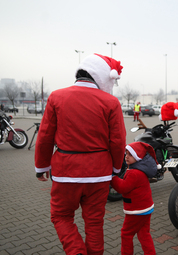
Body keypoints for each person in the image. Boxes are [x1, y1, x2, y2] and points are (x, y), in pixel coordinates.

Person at [34, 53, 126, 255]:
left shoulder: (56, 97)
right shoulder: (111, 102)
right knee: (94, 223)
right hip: (99, 174)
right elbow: (118, 141)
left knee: (61, 216)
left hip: (65, 171)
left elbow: (45, 136)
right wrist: (116, 168)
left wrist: (41, 167)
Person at [111, 142, 160, 255]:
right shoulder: (140, 170)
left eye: (130, 154)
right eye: (126, 154)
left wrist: (113, 178)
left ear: (138, 157)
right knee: (144, 233)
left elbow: (123, 188)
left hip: (136, 210)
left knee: (126, 233)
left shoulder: (134, 173)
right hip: (146, 208)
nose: (126, 157)